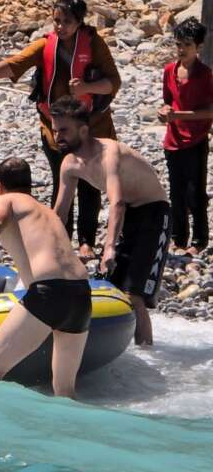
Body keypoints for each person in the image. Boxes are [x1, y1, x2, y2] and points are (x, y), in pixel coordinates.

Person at [0, 0, 121, 260]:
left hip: (90, 128)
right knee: (61, 183)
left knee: (88, 185)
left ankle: (86, 242)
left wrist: (87, 87)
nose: (60, 27)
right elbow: (15, 64)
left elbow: (113, 82)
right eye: (56, 21)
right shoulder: (46, 44)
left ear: (79, 22)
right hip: (56, 130)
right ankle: (62, 239)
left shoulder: (94, 44)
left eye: (67, 22)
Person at [0, 157, 91, 398]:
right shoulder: (46, 211)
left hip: (50, 293)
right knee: (65, 391)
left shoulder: (5, 199)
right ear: (29, 185)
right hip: (82, 293)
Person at [50, 96, 170, 346]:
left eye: (63, 130)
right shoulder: (70, 164)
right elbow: (59, 212)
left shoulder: (108, 154)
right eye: (55, 130)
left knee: (133, 295)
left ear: (83, 130)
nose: (57, 136)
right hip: (128, 214)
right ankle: (118, 351)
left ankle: (148, 353)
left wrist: (109, 248)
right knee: (112, 291)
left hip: (154, 214)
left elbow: (116, 202)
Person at [159, 18, 213, 256]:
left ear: (198, 46)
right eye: (178, 44)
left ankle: (200, 240)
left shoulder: (205, 75)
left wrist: (178, 115)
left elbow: (210, 111)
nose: (181, 50)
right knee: (176, 192)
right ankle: (178, 238)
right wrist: (164, 111)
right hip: (173, 140)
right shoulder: (169, 70)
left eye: (187, 45)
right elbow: (167, 101)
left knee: (195, 192)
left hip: (196, 140)